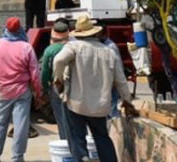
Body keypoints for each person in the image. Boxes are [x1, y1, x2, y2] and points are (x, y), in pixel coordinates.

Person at [53, 15, 136, 162]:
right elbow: (121, 81)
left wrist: (58, 81)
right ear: (95, 33)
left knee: (77, 137)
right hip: (99, 105)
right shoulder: (109, 52)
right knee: (102, 137)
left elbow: (59, 60)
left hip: (76, 103)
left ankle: (83, 158)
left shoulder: (74, 47)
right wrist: (127, 101)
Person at [0, 17, 42, 162]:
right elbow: (35, 73)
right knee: (21, 125)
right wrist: (38, 92)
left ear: (6, 29)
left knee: (0, 123)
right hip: (22, 91)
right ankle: (17, 157)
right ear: (20, 30)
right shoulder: (26, 47)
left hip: (3, 90)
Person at [40, 20, 71, 141]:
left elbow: (45, 72)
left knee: (60, 118)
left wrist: (45, 88)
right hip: (74, 86)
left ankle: (65, 141)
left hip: (57, 87)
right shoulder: (73, 47)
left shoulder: (50, 50)